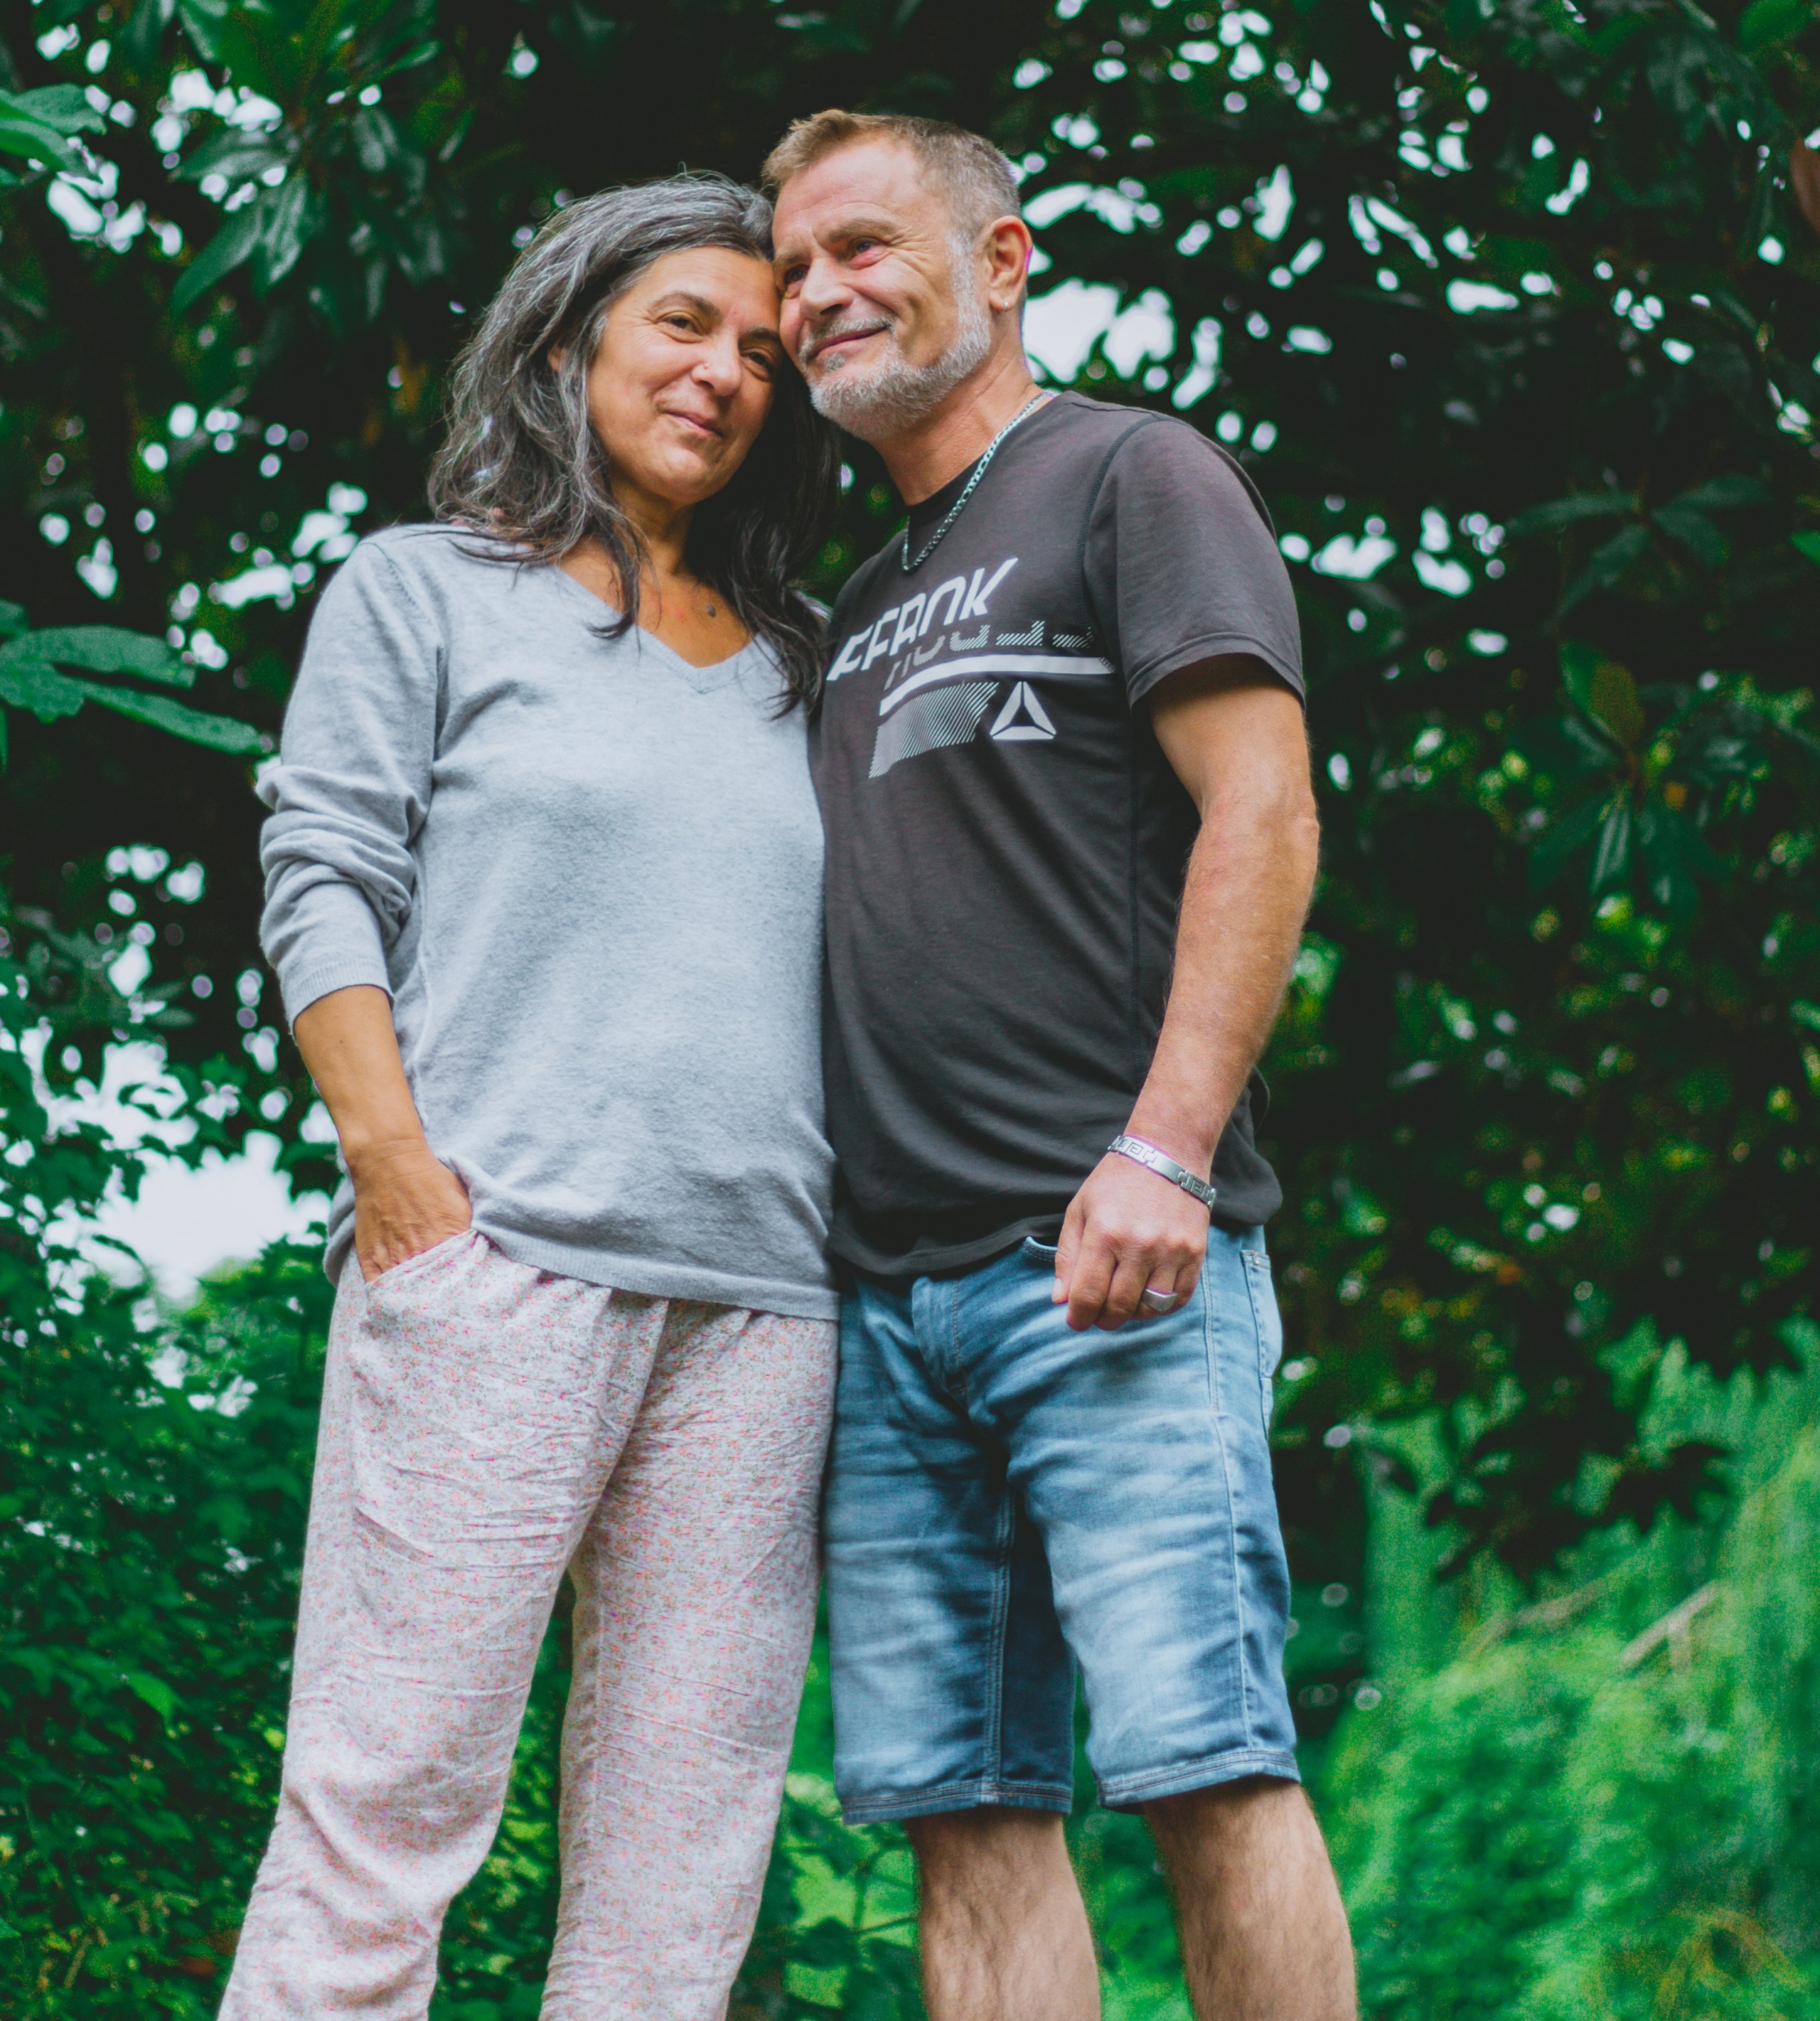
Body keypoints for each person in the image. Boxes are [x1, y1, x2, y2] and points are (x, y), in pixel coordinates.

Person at [221, 176, 842, 2021]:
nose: (726, 375)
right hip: (499, 1266)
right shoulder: (422, 592)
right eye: (682, 326)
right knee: (385, 1808)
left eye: (761, 353)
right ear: (567, 339)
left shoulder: (811, 672)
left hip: (765, 1311)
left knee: (685, 1865)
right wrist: (402, 1181)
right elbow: (322, 874)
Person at [766, 110, 1356, 2021]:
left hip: (1109, 1264)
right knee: (965, 1816)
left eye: (861, 245)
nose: (816, 295)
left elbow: (1261, 808)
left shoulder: (1127, 474)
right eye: (792, 269)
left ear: (1002, 259)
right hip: (884, 1306)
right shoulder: (853, 616)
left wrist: (1169, 1151)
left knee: (1207, 1764)